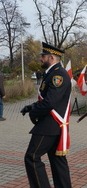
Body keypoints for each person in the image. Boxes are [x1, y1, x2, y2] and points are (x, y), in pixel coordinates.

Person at [21, 42, 72, 188]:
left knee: (32, 157)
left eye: (43, 56)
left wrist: (34, 113)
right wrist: (31, 107)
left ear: (51, 57)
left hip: (49, 125)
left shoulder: (58, 75)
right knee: (57, 160)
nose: (40, 58)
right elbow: (48, 98)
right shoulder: (51, 73)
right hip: (52, 125)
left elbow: (50, 102)